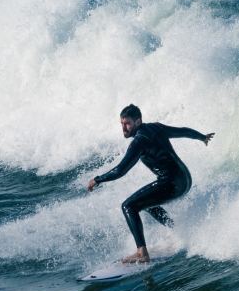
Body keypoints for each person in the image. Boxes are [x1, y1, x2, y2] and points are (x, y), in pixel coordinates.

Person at [87, 104, 214, 264]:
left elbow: (120, 171)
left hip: (172, 184)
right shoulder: (156, 127)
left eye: (127, 123)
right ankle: (177, 230)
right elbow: (182, 131)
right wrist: (201, 137)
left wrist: (97, 180)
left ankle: (142, 253)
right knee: (145, 203)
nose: (124, 128)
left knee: (128, 206)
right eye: (121, 124)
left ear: (138, 121)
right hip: (185, 179)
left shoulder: (139, 141)